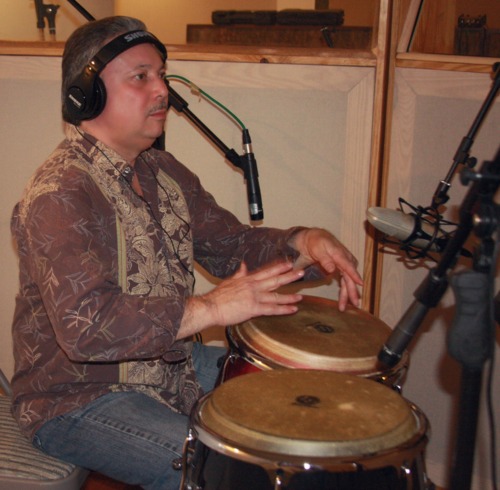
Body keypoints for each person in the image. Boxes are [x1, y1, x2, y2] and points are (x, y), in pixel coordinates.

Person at [10, 16, 363, 490]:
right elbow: (85, 327)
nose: (162, 90)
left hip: (168, 366)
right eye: (141, 77)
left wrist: (303, 244)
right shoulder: (60, 192)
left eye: (161, 75)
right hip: (74, 397)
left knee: (296, 400)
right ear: (86, 96)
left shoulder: (164, 172)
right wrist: (212, 308)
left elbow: (233, 247)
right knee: (217, 467)